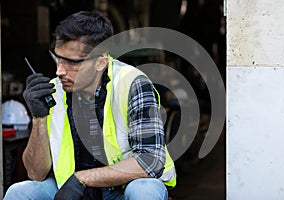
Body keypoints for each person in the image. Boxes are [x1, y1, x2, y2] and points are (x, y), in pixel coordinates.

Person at [4, 10, 176, 200]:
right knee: (19, 192)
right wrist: (38, 117)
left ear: (100, 62)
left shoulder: (132, 84)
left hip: (118, 189)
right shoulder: (54, 89)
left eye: (71, 62)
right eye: (58, 58)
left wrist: (82, 178)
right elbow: (35, 173)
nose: (60, 71)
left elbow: (151, 161)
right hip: (69, 189)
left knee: (145, 190)